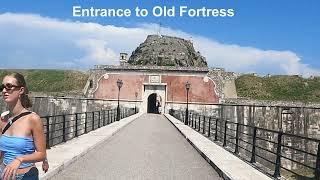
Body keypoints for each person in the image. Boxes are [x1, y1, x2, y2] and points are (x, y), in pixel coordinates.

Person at [0, 72, 47, 180]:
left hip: (26, 176)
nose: (4, 91)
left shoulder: (33, 119)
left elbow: (41, 154)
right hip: (4, 175)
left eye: (9, 87)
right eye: (2, 87)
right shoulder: (3, 119)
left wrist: (19, 159)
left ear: (21, 90)